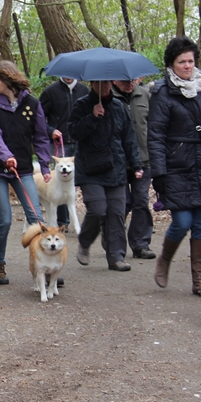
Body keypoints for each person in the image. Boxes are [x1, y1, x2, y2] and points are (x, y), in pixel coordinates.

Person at [148, 36, 201, 297]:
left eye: (190, 61)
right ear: (172, 64)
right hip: (175, 164)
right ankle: (165, 259)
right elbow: (156, 135)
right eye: (181, 61)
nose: (186, 65)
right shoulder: (162, 92)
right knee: (182, 221)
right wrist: (158, 173)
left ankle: (199, 281)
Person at [0, 60, 51, 285]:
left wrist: (44, 165)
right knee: (5, 220)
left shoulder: (32, 103)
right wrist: (6, 156)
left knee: (37, 219)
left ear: (7, 80)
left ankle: (44, 265)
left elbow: (41, 136)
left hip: (23, 169)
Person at [70, 81, 143, 272]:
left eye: (107, 84)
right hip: (90, 168)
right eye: (100, 84)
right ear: (92, 83)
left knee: (117, 213)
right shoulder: (82, 104)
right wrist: (92, 117)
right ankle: (85, 242)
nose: (104, 87)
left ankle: (116, 257)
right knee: (97, 210)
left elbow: (129, 138)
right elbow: (73, 132)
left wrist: (136, 164)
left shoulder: (118, 106)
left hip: (116, 167)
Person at [112, 79, 155, 259]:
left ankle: (141, 244)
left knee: (141, 201)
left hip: (144, 159)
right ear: (114, 80)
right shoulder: (107, 98)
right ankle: (113, 241)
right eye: (124, 81)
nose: (129, 84)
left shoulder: (145, 95)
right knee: (122, 203)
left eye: (132, 80)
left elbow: (154, 126)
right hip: (117, 161)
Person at [40, 76, 90, 230]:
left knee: (87, 180)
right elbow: (39, 116)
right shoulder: (50, 91)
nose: (68, 75)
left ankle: (92, 218)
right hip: (59, 143)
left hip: (81, 142)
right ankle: (63, 222)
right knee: (59, 181)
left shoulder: (84, 90)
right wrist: (50, 130)